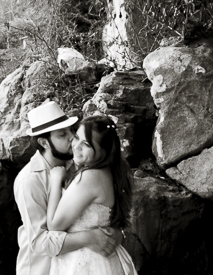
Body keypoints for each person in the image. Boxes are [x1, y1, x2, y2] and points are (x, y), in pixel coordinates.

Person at [14, 101, 122, 275]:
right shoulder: (30, 180)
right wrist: (89, 238)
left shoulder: (79, 163)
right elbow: (39, 242)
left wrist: (116, 233)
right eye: (62, 134)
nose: (72, 137)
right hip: (41, 269)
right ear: (44, 142)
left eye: (72, 130)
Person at [46, 115, 138, 275]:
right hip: (104, 259)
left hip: (86, 263)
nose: (76, 146)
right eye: (76, 138)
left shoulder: (90, 177)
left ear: (104, 151)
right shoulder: (112, 171)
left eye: (87, 144)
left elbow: (54, 225)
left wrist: (55, 180)